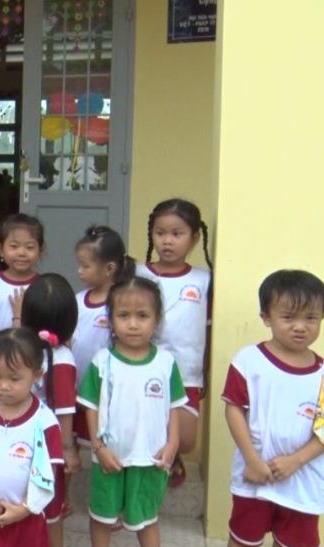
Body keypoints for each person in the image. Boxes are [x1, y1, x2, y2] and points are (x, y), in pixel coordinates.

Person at [77, 277, 186, 547]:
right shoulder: (102, 362)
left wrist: (173, 444)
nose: (133, 324)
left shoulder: (166, 363)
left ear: (157, 319)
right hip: (110, 458)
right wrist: (98, 448)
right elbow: (91, 408)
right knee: (101, 517)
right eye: (124, 315)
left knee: (147, 519)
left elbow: (174, 407)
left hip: (151, 458)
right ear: (111, 320)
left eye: (142, 316)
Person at [222, 270, 324, 547]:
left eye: (311, 318)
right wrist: (252, 460)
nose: (300, 326)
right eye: (288, 317)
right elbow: (234, 410)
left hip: (303, 482)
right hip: (254, 478)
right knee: (243, 541)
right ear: (266, 317)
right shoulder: (248, 361)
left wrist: (296, 461)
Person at [0, 328, 65, 547]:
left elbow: (48, 473)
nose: (4, 385)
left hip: (26, 520)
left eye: (14, 378)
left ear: (37, 374)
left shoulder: (45, 422)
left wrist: (24, 509)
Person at [137, 198, 212, 487]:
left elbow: (208, 328)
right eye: (160, 233)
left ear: (194, 238)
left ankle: (173, 455)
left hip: (185, 371)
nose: (167, 241)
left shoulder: (204, 280)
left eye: (176, 234)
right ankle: (144, 470)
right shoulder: (138, 274)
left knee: (187, 440)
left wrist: (204, 369)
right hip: (141, 365)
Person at [20, 274, 81, 547]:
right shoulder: (63, 359)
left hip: (19, 443)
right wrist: (68, 450)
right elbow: (64, 412)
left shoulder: (21, 352)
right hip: (48, 450)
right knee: (51, 513)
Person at [72, 225, 135, 445]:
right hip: (78, 386)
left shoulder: (121, 302)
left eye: (85, 266)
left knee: (104, 440)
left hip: (108, 389)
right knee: (79, 440)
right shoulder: (78, 300)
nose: (79, 271)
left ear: (109, 268)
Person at [0, 213, 44, 330]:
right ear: (0, 249)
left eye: (29, 247)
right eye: (14, 246)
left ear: (40, 251)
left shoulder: (43, 285)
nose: (21, 253)